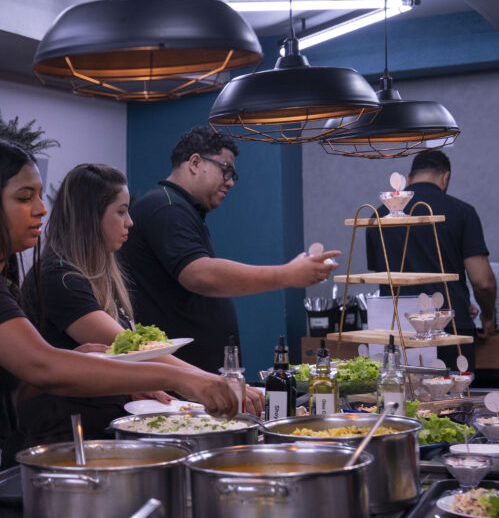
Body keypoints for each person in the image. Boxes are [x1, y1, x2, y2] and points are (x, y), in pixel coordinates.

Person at [0, 139, 256, 518]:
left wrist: (86, 360)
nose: (41, 209)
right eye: (24, 197)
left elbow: (9, 377)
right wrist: (180, 377)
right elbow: (44, 367)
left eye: (39, 196)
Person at [11, 164, 264, 458]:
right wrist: (205, 382)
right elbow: (128, 347)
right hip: (59, 439)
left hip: (93, 432)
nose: (129, 222)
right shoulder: (59, 278)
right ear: (90, 217)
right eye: (121, 212)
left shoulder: (95, 274)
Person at [117, 126, 340, 373]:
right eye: (225, 170)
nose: (231, 182)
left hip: (194, 374)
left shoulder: (178, 207)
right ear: (195, 163)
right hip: (177, 378)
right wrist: (288, 274)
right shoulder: (166, 206)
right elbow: (199, 275)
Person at [365, 150, 496, 372]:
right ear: (446, 177)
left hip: (396, 329)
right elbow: (483, 282)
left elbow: (384, 275)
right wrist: (488, 316)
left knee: (399, 392)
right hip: (448, 327)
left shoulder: (377, 217)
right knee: (452, 391)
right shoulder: (462, 212)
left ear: (409, 177)